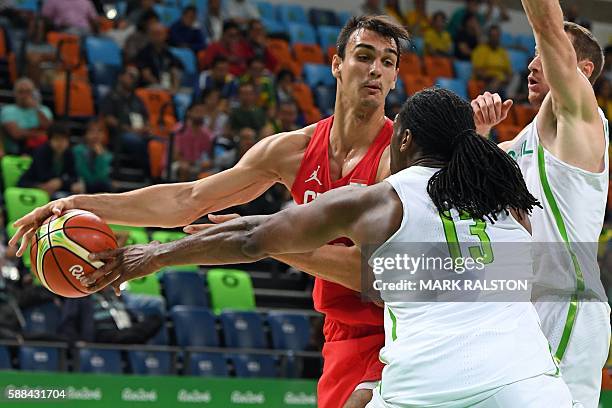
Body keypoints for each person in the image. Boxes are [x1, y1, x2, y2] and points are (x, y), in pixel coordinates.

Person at [10, 15, 410, 408]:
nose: (375, 70)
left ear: (394, 78)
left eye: (387, 62)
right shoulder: (292, 151)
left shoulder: (397, 162)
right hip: (342, 333)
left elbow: (370, 273)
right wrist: (78, 203)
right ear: (337, 64)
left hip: (400, 325)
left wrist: (267, 240)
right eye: (364, 56)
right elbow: (189, 200)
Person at [84, 88, 573, 407]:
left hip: (432, 390)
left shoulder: (380, 201)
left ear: (403, 140)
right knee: (364, 395)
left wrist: (151, 255)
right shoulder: (510, 200)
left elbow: (251, 238)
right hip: (531, 387)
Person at [471, 1, 610, 406]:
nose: (531, 66)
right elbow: (472, 194)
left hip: (566, 302)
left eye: (542, 56)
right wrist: (479, 134)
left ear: (580, 72)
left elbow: (548, 27)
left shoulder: (582, 121)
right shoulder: (519, 144)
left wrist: (548, 34)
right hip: (521, 308)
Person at [18, 122, 84, 200]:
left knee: (79, 187)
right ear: (49, 140)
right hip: (34, 184)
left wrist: (61, 182)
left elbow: (74, 176)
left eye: (64, 139)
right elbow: (44, 177)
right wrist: (63, 182)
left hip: (56, 188)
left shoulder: (69, 153)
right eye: (57, 139)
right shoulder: (41, 152)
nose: (60, 143)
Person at [1, 78, 53, 155]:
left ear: (34, 93)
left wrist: (36, 108)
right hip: (15, 154)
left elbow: (49, 130)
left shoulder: (44, 110)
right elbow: (16, 134)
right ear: (15, 93)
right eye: (20, 92)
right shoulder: (7, 110)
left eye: (28, 91)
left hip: (41, 153)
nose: (24, 95)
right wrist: (39, 133)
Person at [72, 120, 113, 194]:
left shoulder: (107, 155)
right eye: (92, 131)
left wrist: (100, 157)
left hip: (98, 188)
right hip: (81, 186)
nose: (96, 135)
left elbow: (101, 177)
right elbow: (81, 173)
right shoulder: (77, 151)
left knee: (105, 185)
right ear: (86, 134)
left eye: (99, 131)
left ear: (104, 135)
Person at [471, 25, 512, 95]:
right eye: (493, 36)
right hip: (487, 80)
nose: (495, 39)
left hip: (502, 82)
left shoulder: (502, 52)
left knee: (517, 77)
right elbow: (478, 72)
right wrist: (493, 76)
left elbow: (508, 72)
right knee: (496, 81)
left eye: (497, 36)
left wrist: (505, 79)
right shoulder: (480, 50)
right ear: (488, 37)